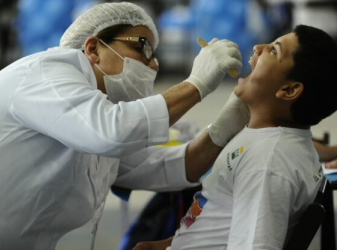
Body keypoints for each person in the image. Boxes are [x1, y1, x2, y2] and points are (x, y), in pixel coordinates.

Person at [0, 2, 244, 249]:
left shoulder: (94, 114)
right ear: (93, 48)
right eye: (143, 47)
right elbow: (113, 131)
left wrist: (226, 123)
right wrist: (196, 84)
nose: (153, 64)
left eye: (155, 55)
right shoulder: (48, 73)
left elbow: (171, 167)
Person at [133, 24, 337, 250]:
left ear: (289, 90)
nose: (258, 48)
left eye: (273, 50)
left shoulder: (266, 163)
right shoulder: (273, 143)